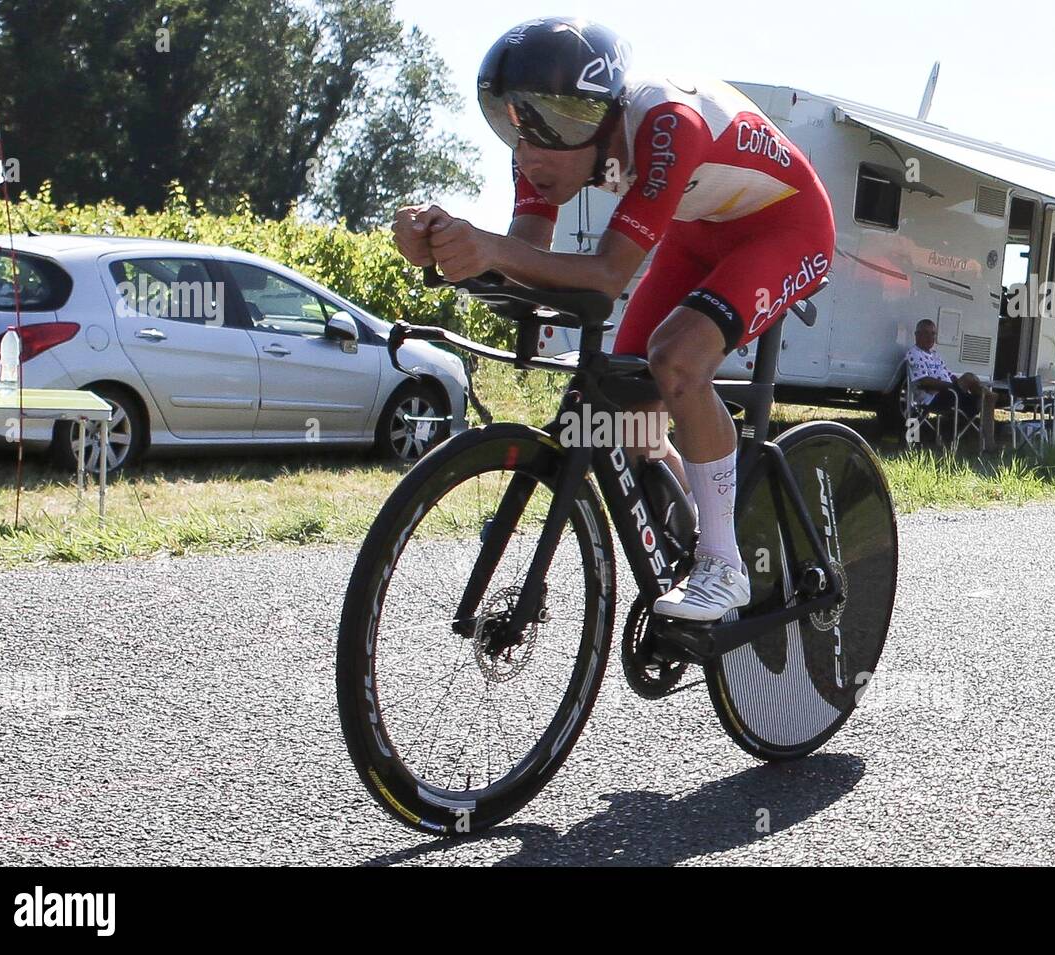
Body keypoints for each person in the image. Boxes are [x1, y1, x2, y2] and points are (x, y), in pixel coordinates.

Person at [390, 18, 836, 622]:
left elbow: (605, 275)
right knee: (626, 412)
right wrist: (447, 253)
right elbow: (528, 261)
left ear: (600, 117)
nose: (529, 151)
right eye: (510, 124)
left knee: (676, 360)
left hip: (787, 225)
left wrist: (491, 249)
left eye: (552, 125)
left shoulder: (667, 124)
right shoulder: (542, 151)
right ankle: (687, 535)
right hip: (697, 231)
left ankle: (723, 564)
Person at [905, 319, 985, 430]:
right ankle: (986, 397)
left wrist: (957, 383)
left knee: (980, 399)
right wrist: (953, 386)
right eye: (926, 333)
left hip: (950, 394)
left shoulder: (935, 355)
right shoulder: (914, 353)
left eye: (933, 334)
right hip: (933, 398)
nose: (930, 337)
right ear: (917, 335)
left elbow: (949, 375)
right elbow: (924, 381)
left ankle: (984, 434)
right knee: (970, 378)